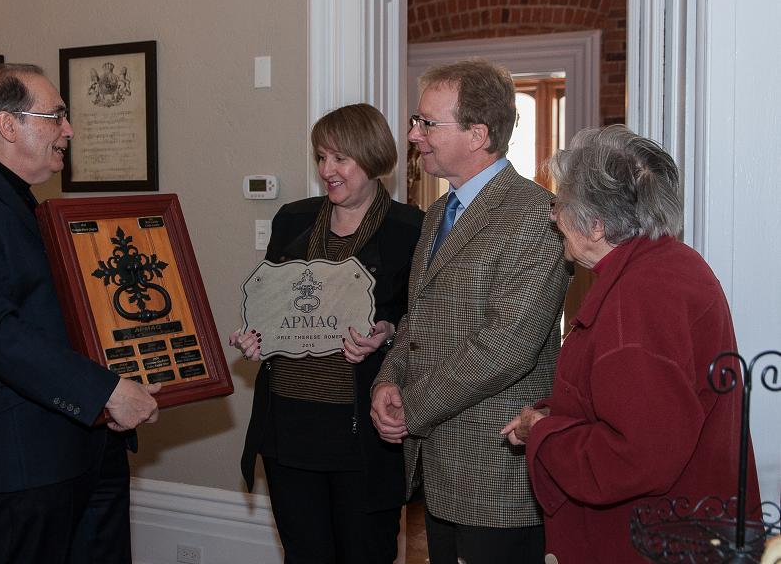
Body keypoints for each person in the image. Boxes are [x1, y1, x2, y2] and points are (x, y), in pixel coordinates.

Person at [0, 63, 161, 564]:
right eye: (56, 117)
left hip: (89, 443)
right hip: (28, 460)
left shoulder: (22, 202)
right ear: (7, 125)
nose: (68, 130)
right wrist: (106, 391)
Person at [501, 125, 762, 563]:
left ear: (597, 225)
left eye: (560, 204)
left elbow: (636, 458)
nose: (552, 217)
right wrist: (560, 413)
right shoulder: (671, 265)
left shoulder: (638, 298)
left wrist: (541, 433)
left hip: (648, 540)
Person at [370, 59, 569, 564]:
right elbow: (417, 317)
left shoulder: (535, 216)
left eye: (426, 123)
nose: (413, 135)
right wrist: (387, 382)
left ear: (478, 134)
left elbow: (505, 348)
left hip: (494, 474)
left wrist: (410, 410)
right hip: (438, 468)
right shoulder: (440, 211)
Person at [232, 103, 424, 563]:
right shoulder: (292, 220)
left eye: (341, 159)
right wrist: (256, 336)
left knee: (366, 554)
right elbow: (273, 301)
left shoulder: (411, 229)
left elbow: (423, 322)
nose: (327, 171)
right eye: (321, 157)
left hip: (360, 433)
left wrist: (388, 332)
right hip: (288, 428)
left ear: (373, 157)